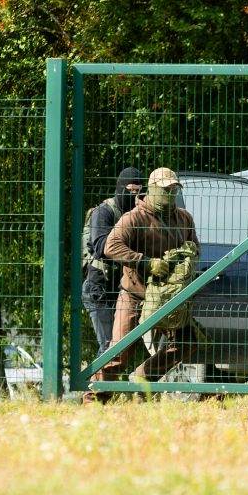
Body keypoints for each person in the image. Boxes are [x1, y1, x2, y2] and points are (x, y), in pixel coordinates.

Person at [91, 167, 200, 395]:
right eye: (164, 190)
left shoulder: (183, 218)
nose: (169, 195)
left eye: (173, 190)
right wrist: (147, 263)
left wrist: (185, 261)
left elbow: (195, 247)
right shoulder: (134, 217)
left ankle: (142, 378)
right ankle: (94, 398)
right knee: (118, 353)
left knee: (187, 342)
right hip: (134, 294)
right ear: (151, 190)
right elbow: (110, 246)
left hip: (169, 299)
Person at [82, 167, 144, 358]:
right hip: (98, 288)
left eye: (139, 191)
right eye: (131, 190)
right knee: (109, 347)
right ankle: (94, 388)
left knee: (123, 347)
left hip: (123, 289)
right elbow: (101, 247)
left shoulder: (138, 213)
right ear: (121, 188)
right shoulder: (104, 212)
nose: (134, 195)